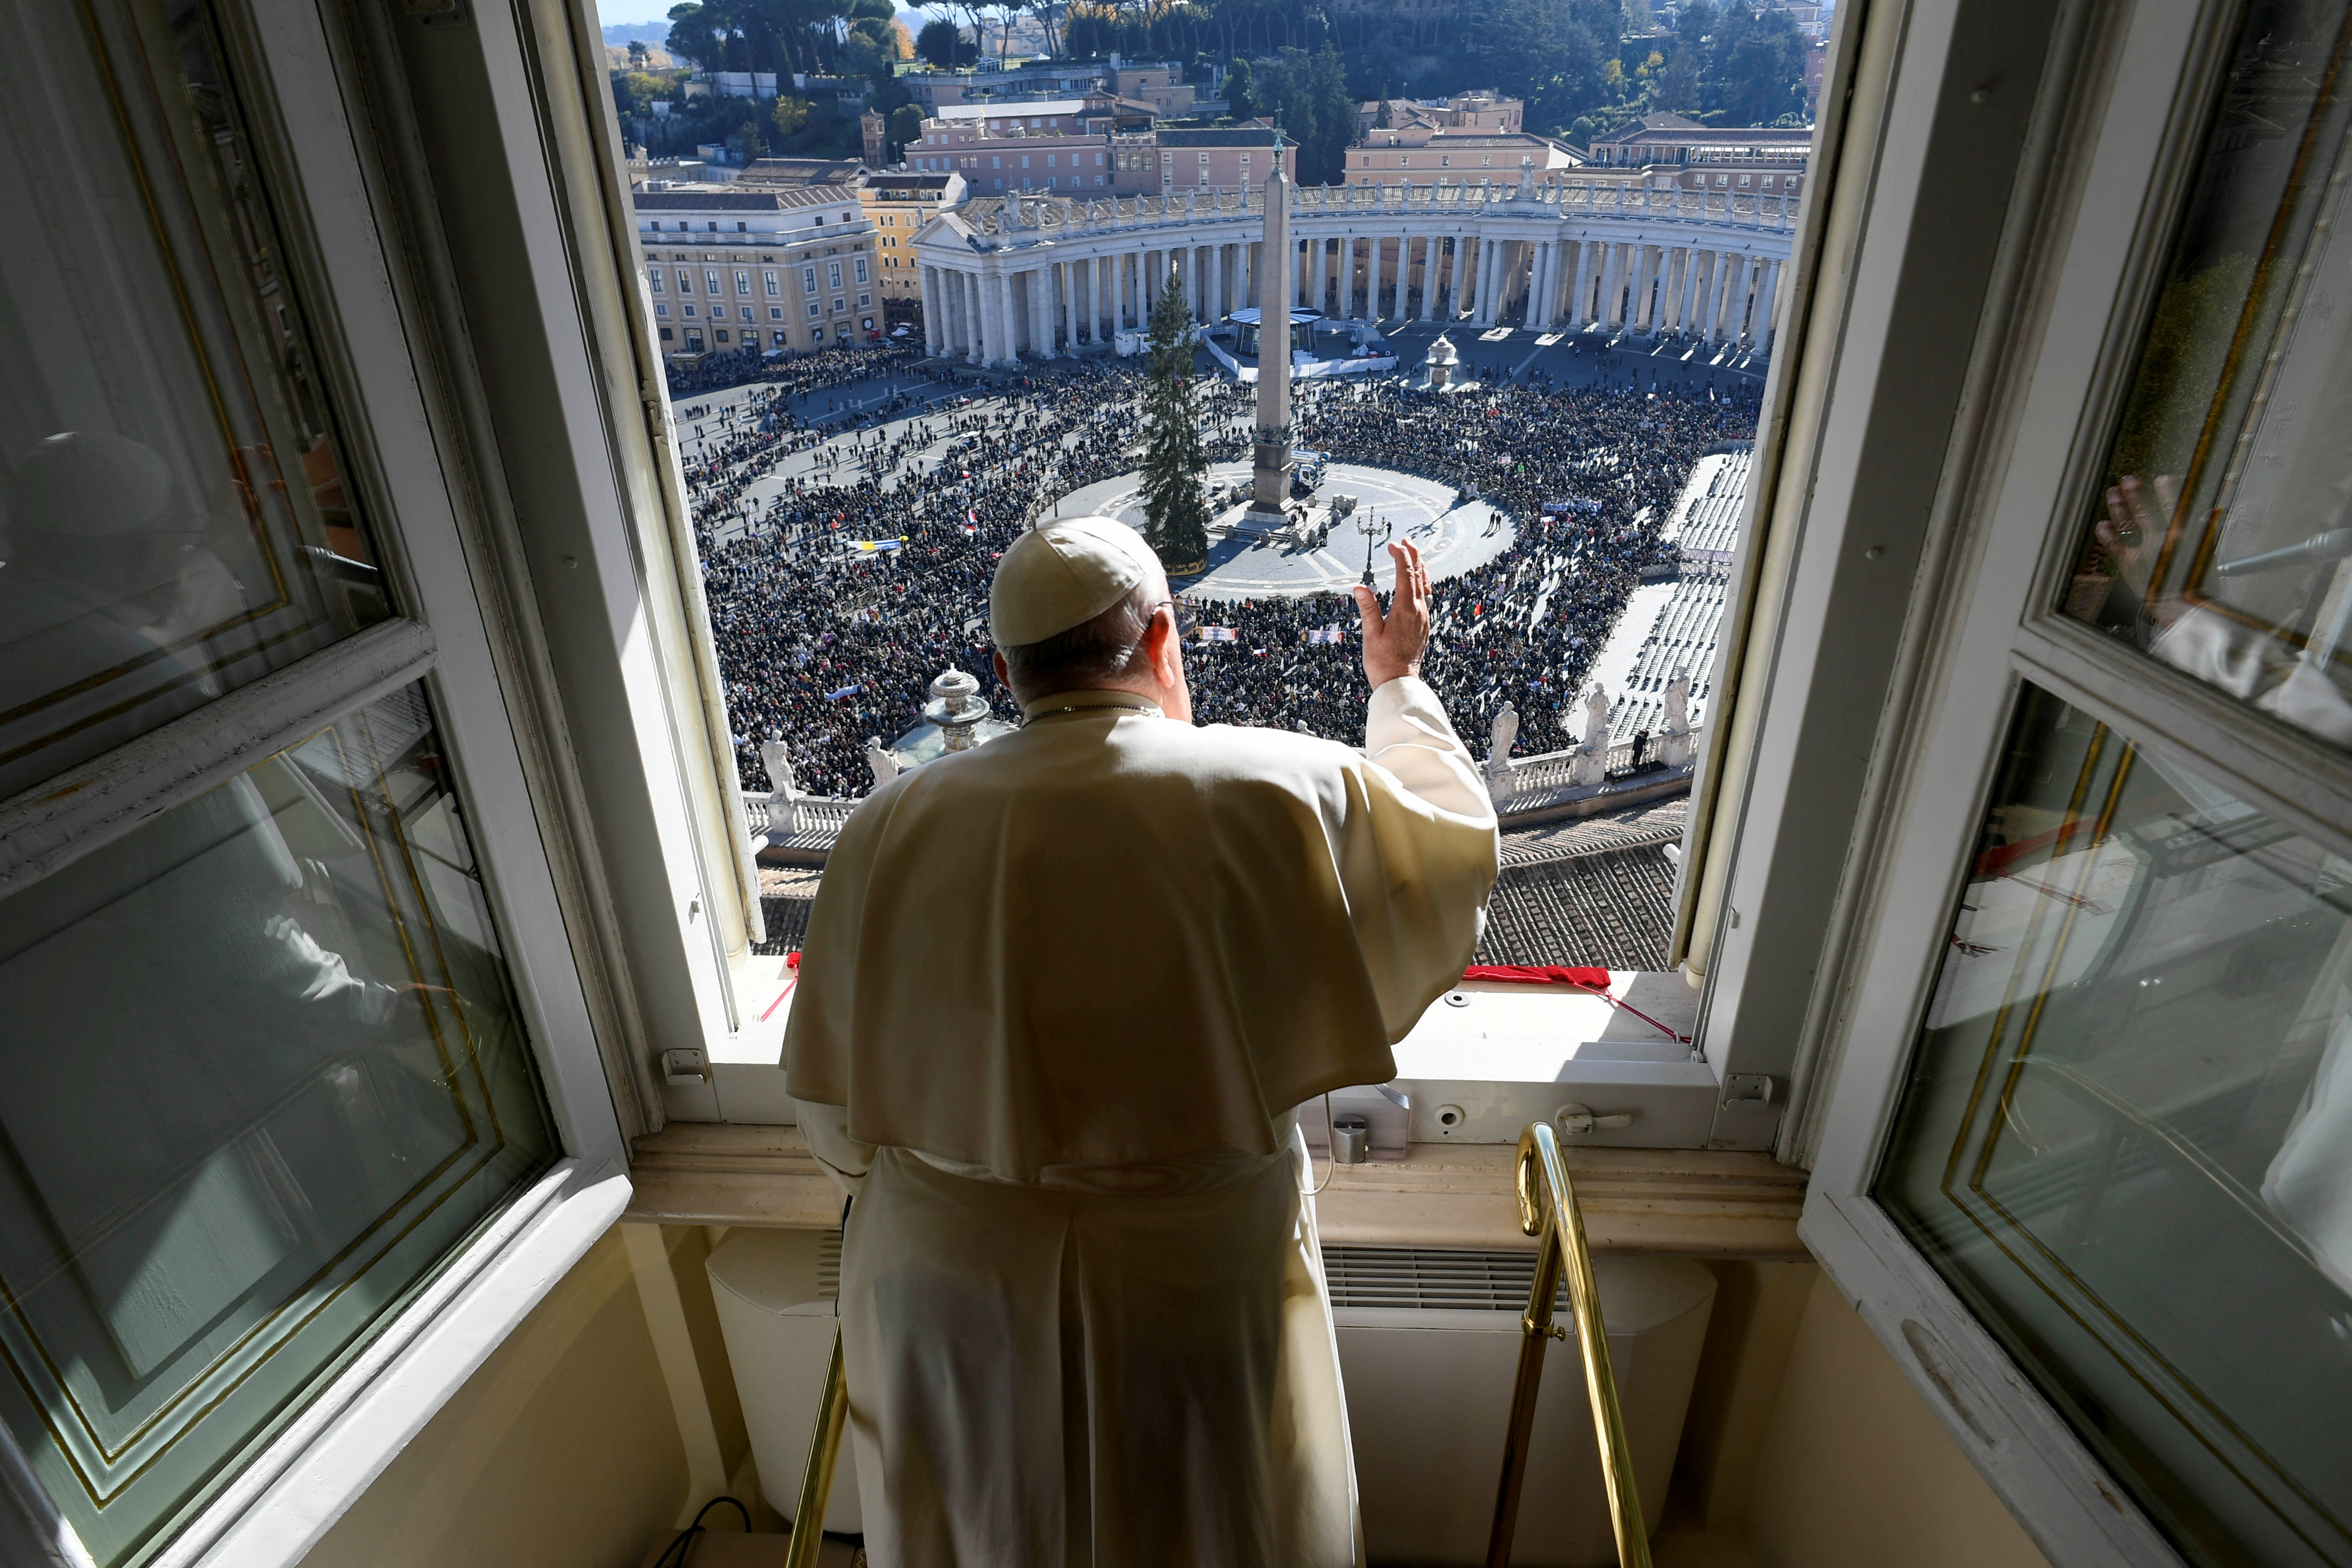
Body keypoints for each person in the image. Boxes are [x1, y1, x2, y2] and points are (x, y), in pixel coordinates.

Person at [784, 517, 1499, 1567]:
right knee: (1206, 1525)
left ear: (1003, 674)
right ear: (1164, 641)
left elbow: (835, 1118)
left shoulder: (885, 828)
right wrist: (1395, 684)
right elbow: (1455, 854)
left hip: (951, 1284)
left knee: (992, 1531)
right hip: (1192, 1278)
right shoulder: (1278, 784)